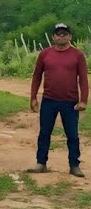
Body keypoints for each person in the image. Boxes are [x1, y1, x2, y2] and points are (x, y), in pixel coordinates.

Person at [27, 22, 88, 177]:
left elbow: (83, 79)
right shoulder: (45, 54)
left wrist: (83, 100)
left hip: (70, 102)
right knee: (44, 133)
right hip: (49, 100)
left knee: (72, 135)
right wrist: (33, 97)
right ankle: (41, 163)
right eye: (58, 34)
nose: (61, 37)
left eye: (64, 34)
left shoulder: (78, 55)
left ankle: (74, 165)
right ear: (53, 37)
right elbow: (36, 76)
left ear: (70, 36)